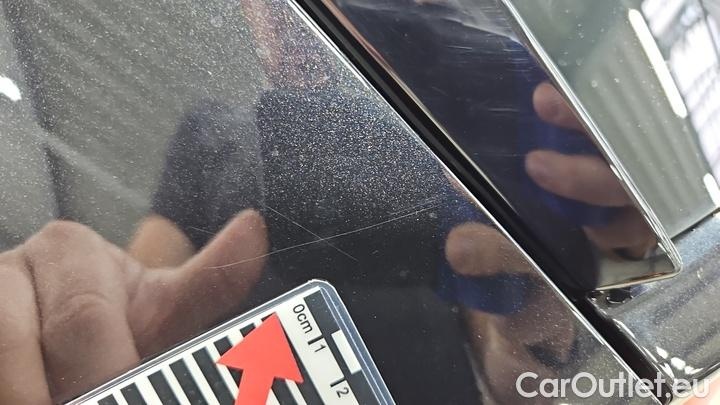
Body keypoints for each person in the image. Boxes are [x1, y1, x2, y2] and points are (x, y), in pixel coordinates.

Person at [0, 1, 655, 404]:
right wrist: (71, 308)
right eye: (262, 7)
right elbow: (144, 295)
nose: (278, 24)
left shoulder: (474, 143)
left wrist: (541, 328)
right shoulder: (215, 138)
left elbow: (515, 380)